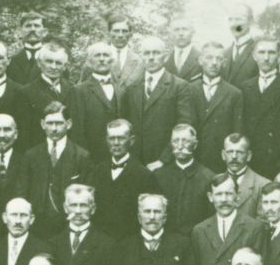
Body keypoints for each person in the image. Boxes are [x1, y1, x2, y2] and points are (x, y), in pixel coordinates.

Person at [190, 174, 270, 265]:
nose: (224, 199)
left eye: (228, 194)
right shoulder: (200, 230)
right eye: (219, 194)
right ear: (210, 197)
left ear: (237, 196)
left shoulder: (254, 228)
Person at [21, 101, 92, 238]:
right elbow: (23, 192)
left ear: (69, 124)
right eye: (50, 123)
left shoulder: (82, 156)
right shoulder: (31, 156)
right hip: (37, 229)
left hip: (67, 228)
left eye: (59, 123)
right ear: (42, 124)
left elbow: (87, 196)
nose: (54, 128)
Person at [122, 36, 192, 168]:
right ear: (141, 56)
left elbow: (183, 127)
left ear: (165, 56)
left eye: (156, 53)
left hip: (166, 162)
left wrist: (163, 160)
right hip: (135, 161)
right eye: (147, 53)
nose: (151, 57)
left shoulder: (179, 86)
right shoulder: (132, 88)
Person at [239, 38, 280, 181]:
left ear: (279, 55)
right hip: (251, 163)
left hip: (278, 165)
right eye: (262, 52)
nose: (266, 58)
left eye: (271, 53)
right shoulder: (245, 87)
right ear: (254, 56)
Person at [48, 184, 115, 265]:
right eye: (73, 205)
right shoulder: (52, 243)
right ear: (65, 208)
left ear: (93, 208)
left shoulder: (107, 244)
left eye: (83, 205)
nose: (78, 211)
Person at [91, 120, 158, 240]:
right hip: (101, 241)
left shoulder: (144, 175)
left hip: (130, 242)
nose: (116, 143)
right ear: (106, 140)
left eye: (121, 138)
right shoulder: (97, 171)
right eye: (112, 138)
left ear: (131, 140)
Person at [185, 42, 244, 172]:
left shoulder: (234, 94)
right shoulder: (188, 89)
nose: (214, 62)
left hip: (219, 162)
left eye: (219, 58)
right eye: (209, 57)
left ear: (224, 62)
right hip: (192, 158)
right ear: (200, 60)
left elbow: (236, 133)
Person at [154, 124, 215, 235]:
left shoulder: (207, 177)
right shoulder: (159, 176)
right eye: (175, 141)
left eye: (185, 141)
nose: (180, 146)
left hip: (196, 239)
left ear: (195, 145)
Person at [17, 43, 76, 152]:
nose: (53, 67)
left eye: (58, 63)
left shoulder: (73, 90)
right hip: (37, 154)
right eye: (49, 61)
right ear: (39, 63)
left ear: (65, 66)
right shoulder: (26, 92)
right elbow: (23, 134)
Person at [72, 43, 121, 161]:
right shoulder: (79, 90)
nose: (102, 59)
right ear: (89, 61)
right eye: (97, 55)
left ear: (112, 60)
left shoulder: (121, 90)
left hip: (118, 155)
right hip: (92, 157)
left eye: (106, 55)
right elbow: (77, 130)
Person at [221, 134, 268, 216]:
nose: (234, 156)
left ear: (249, 155)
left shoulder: (263, 185)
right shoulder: (214, 183)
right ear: (223, 155)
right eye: (230, 152)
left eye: (239, 152)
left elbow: (263, 220)